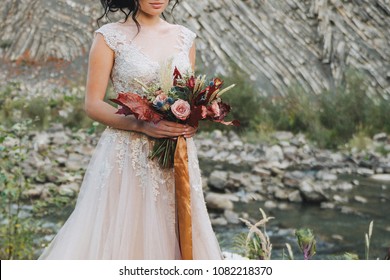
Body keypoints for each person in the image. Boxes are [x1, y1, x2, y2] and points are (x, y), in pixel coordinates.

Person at [38, 0, 223, 260]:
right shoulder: (109, 37)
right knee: (124, 235)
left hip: (177, 155)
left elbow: (188, 92)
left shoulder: (185, 37)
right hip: (128, 153)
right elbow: (92, 104)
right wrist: (141, 124)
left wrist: (190, 120)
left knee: (177, 232)